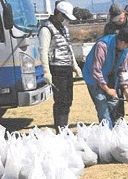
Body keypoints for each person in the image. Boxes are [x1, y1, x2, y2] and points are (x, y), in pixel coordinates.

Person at [82, 27, 128, 129]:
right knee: (103, 108)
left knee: (113, 105)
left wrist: (126, 90)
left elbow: (124, 70)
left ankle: (114, 131)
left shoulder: (125, 49)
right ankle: (108, 136)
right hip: (93, 79)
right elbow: (96, 71)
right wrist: (107, 89)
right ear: (122, 42)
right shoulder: (102, 45)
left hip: (110, 77)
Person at [38, 1, 82, 134]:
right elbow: (43, 51)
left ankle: (64, 127)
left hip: (67, 68)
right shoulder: (46, 29)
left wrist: (75, 65)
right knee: (61, 101)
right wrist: (46, 71)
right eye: (65, 17)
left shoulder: (64, 29)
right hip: (56, 69)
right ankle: (60, 130)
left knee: (68, 100)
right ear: (58, 14)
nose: (66, 20)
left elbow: (69, 48)